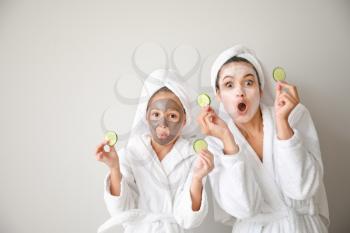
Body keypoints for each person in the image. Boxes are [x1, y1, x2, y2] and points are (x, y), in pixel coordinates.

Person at [197, 45, 329, 233]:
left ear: (260, 88)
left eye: (249, 83)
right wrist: (228, 142)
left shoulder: (293, 116)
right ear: (218, 95)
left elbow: (302, 189)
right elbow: (244, 208)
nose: (240, 92)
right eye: (229, 85)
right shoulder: (215, 143)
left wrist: (283, 124)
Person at [95, 69, 214, 233]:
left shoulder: (193, 158)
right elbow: (120, 210)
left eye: (172, 116)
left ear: (184, 120)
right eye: (156, 114)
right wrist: (114, 168)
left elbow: (189, 219)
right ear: (146, 116)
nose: (162, 124)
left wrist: (198, 178)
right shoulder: (130, 153)